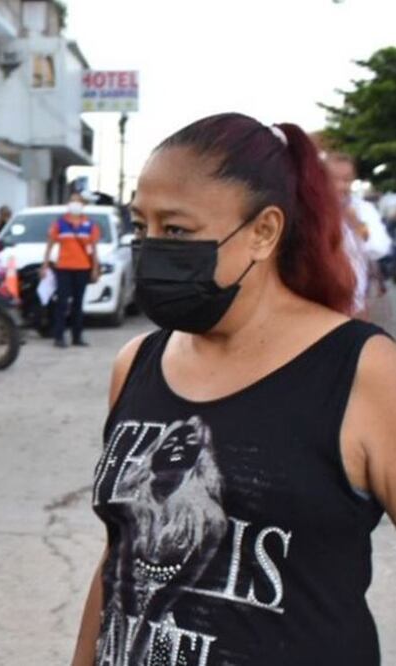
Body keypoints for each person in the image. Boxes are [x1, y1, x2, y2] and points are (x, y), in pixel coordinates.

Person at [72, 113, 396, 666]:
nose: (151, 247)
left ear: (264, 232)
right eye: (141, 226)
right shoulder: (137, 363)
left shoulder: (362, 372)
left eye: (175, 230)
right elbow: (120, 557)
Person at [325, 152, 391, 316]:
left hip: (355, 303)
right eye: (334, 179)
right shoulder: (311, 211)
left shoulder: (363, 209)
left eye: (346, 179)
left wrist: (357, 225)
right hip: (319, 303)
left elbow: (380, 248)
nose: (341, 186)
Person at [41, 192, 100, 348]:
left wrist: (95, 268)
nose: (75, 204)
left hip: (83, 269)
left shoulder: (89, 225)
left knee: (78, 304)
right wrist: (45, 265)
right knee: (61, 303)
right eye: (72, 201)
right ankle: (59, 336)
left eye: (77, 201)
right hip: (64, 268)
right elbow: (50, 245)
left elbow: (94, 249)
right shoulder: (60, 224)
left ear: (83, 205)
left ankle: (77, 336)